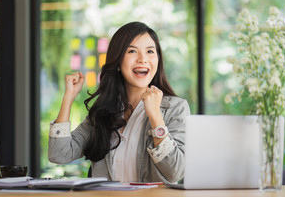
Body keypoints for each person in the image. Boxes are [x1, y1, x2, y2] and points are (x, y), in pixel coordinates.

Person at [48, 21, 190, 183]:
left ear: (158, 59)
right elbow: (59, 154)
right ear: (118, 61)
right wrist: (68, 99)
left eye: (150, 51)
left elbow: (175, 172)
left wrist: (156, 117)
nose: (142, 59)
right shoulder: (103, 110)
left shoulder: (175, 108)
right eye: (132, 51)